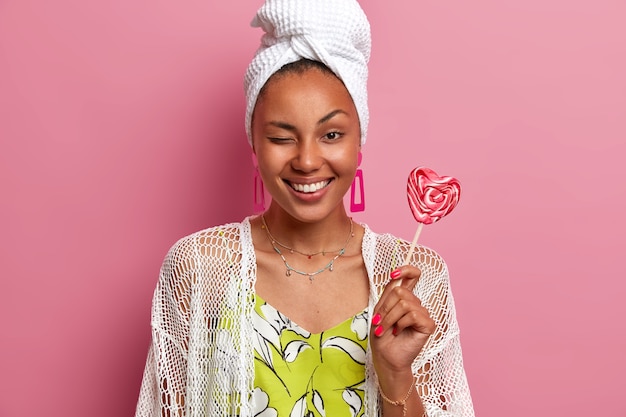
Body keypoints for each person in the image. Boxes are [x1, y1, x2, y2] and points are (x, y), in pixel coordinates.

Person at [135, 0, 474, 416]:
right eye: (282, 137)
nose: (308, 160)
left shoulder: (414, 278)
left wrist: (395, 372)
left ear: (358, 140)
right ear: (254, 144)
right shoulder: (201, 269)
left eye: (331, 134)